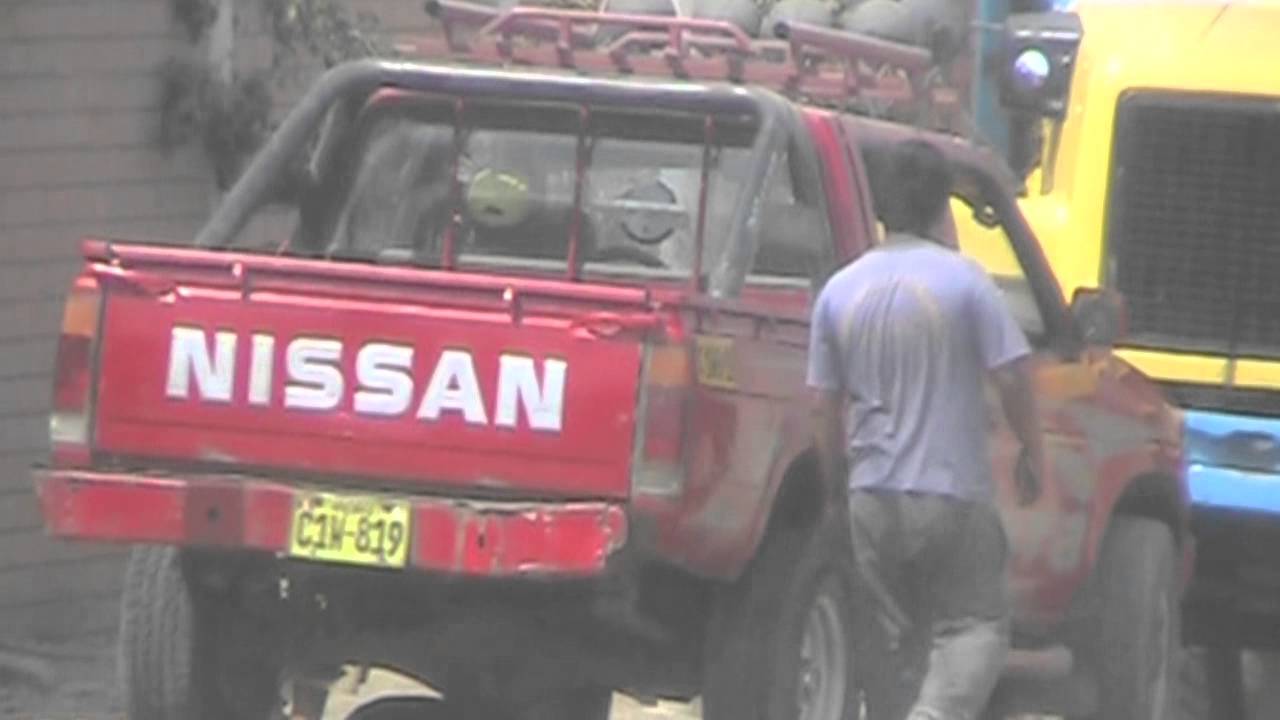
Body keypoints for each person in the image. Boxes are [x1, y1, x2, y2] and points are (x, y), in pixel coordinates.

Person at [806, 139, 1047, 720]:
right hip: (952, 494)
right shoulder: (966, 283)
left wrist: (835, 489)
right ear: (944, 205)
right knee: (976, 627)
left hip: (872, 497)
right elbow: (1014, 377)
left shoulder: (839, 290)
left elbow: (822, 408)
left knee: (893, 645)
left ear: (882, 207)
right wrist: (1031, 450)